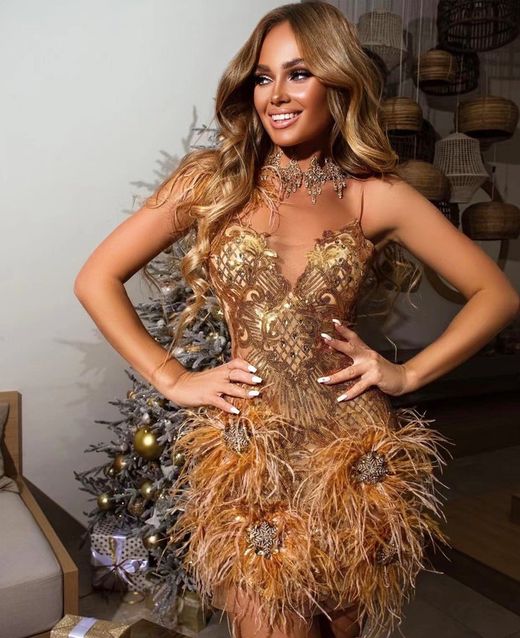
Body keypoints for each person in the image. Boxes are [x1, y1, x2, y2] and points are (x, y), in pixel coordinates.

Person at [74, 3, 519, 637]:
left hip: (351, 454)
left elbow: (496, 294)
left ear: (338, 81)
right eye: (263, 77)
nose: (276, 95)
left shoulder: (375, 194)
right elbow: (96, 278)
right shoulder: (212, 181)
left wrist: (407, 375)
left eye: (299, 73)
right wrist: (172, 377)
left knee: (342, 624)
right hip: (252, 454)